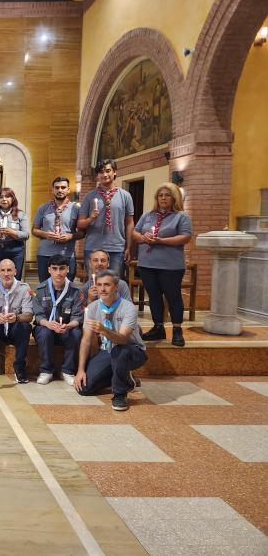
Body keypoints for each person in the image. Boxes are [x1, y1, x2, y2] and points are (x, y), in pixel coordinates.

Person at [74, 270, 147, 411]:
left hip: (132, 350)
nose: (102, 289)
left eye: (107, 285)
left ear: (116, 287)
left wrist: (104, 331)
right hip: (107, 350)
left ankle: (120, 394)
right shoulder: (93, 308)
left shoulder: (128, 307)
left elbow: (123, 339)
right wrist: (80, 370)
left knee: (120, 351)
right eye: (99, 285)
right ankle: (124, 377)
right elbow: (86, 341)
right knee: (84, 389)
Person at [132, 182, 192, 347]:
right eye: (160, 195)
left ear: (174, 198)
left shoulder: (181, 216)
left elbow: (186, 237)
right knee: (154, 297)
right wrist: (143, 238)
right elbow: (135, 232)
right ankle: (158, 327)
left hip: (171, 265)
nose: (163, 198)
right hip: (147, 264)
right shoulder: (148, 215)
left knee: (173, 297)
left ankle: (177, 330)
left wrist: (161, 241)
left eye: (167, 195)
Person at [32, 255, 84, 386]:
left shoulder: (76, 291)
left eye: (62, 268)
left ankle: (67, 370)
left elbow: (78, 317)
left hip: (66, 328)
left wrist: (68, 326)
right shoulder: (39, 289)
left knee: (76, 333)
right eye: (54, 269)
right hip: (46, 327)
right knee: (44, 333)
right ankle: (46, 371)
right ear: (49, 270)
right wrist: (48, 324)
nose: (58, 272)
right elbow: (38, 316)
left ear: (68, 269)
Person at [77, 159, 135, 276]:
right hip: (93, 247)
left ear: (115, 172)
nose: (105, 175)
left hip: (117, 248)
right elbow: (80, 224)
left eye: (108, 171)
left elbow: (129, 223)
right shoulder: (89, 196)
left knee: (114, 286)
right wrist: (91, 219)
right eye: (101, 172)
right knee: (94, 285)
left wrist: (129, 247)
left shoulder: (125, 196)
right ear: (97, 175)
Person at [0, 259, 33, 382]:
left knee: (25, 326)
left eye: (9, 270)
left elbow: (29, 315)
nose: (6, 274)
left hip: (15, 328)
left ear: (15, 271)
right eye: (3, 270)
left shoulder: (24, 288)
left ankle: (19, 367)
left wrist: (17, 317)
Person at [32, 177, 81, 283]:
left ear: (68, 190)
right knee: (45, 288)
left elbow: (82, 232)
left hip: (67, 254)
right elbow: (34, 230)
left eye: (63, 187)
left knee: (68, 289)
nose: (60, 190)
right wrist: (46, 235)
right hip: (45, 255)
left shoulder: (76, 209)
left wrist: (70, 236)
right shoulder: (43, 208)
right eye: (57, 187)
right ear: (52, 189)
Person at [0, 187, 30, 281]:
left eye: (7, 197)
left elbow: (26, 234)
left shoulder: (21, 214)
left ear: (12, 199)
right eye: (1, 197)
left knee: (15, 278)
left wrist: (12, 232)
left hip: (15, 249)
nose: (4, 199)